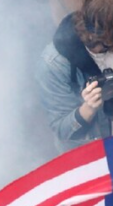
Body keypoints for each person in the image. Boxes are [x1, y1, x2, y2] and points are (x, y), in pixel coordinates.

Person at [36, 0, 113, 152]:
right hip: (91, 155)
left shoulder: (106, 40)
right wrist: (87, 109)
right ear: (95, 41)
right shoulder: (53, 65)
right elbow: (62, 130)